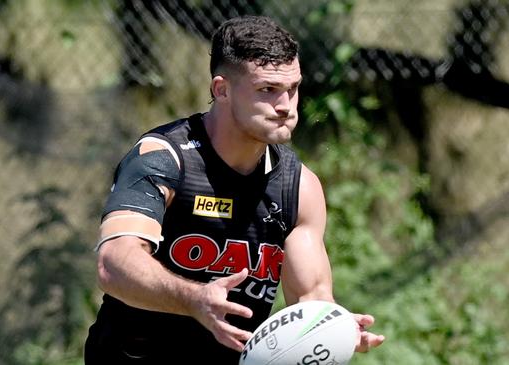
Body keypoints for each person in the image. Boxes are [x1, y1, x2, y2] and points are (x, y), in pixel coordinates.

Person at [84, 15, 384, 364]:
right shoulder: (164, 158)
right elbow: (114, 264)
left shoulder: (298, 186)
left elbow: (312, 297)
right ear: (221, 90)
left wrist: (333, 329)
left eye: (293, 88)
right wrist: (194, 299)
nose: (286, 106)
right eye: (267, 90)